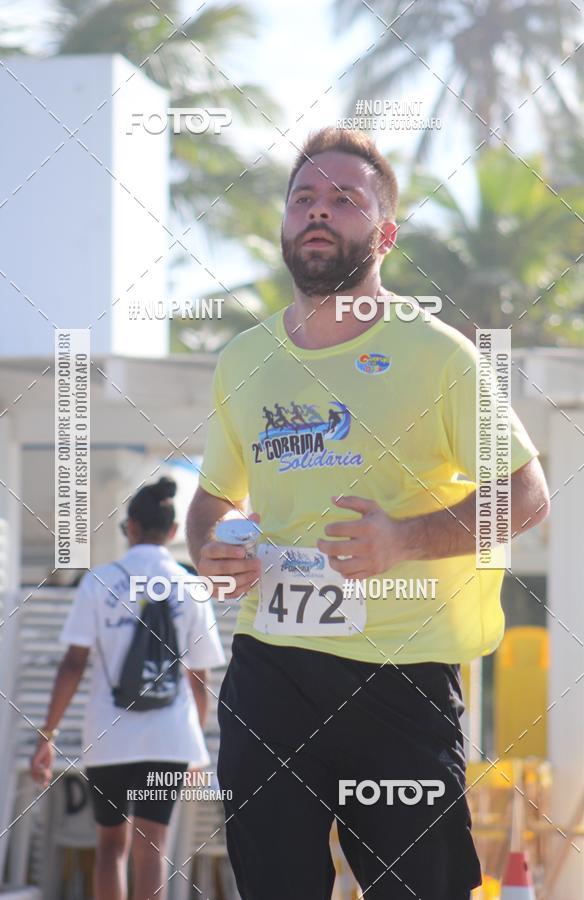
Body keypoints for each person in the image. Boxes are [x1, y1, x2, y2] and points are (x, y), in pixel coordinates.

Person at [185, 127, 551, 900]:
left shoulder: (439, 355)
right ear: (285, 226)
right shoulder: (242, 360)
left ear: (384, 234)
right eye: (304, 199)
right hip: (270, 668)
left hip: (400, 677)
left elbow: (526, 495)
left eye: (344, 200)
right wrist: (208, 549)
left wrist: (407, 540)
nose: (319, 213)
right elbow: (214, 499)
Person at [31, 476, 225, 900]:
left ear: (130, 528)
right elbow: (199, 677)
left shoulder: (99, 581)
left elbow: (72, 664)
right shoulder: (192, 587)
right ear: (173, 533)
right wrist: (196, 747)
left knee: (110, 846)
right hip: (169, 736)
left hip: (108, 735)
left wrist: (48, 733)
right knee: (151, 845)